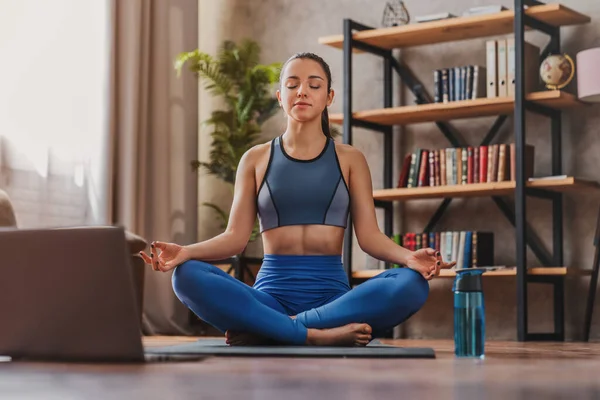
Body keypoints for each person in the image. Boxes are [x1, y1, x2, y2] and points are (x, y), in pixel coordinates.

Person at [139, 52, 456, 347]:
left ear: (328, 97)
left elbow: (370, 238)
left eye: (314, 85)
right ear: (280, 97)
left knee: (411, 284)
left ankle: (278, 329)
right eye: (292, 85)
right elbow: (235, 238)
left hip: (334, 301)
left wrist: (409, 258)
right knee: (187, 276)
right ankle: (314, 335)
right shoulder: (255, 159)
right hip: (269, 296)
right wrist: (185, 252)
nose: (302, 91)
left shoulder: (350, 159)